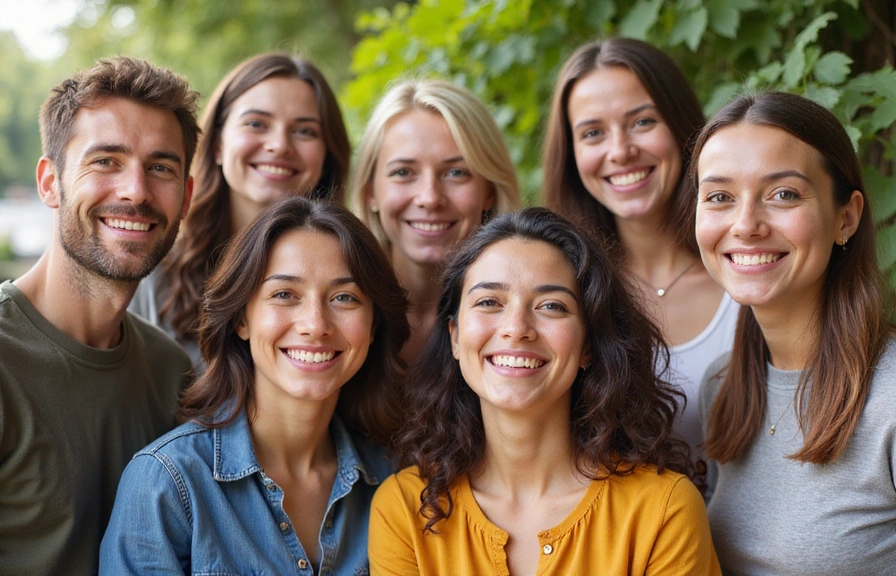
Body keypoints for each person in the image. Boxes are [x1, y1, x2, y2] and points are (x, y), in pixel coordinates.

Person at [369, 208, 720, 575]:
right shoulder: (405, 509)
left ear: (588, 343)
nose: (516, 328)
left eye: (551, 306)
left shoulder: (664, 509)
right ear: (456, 337)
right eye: (489, 302)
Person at [100, 197, 409, 574]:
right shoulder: (167, 483)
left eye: (344, 297)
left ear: (374, 326)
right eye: (284, 295)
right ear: (241, 319)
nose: (315, 324)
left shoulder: (396, 481)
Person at [0, 56, 198, 575]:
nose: (135, 190)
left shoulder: (170, 372)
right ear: (50, 182)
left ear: (187, 196)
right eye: (106, 161)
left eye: (161, 168)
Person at [693, 92, 896, 575]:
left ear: (845, 217)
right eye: (719, 197)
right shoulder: (721, 390)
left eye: (783, 194)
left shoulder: (890, 396)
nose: (745, 225)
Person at [543, 37, 738, 489]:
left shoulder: (751, 270)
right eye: (593, 133)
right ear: (571, 155)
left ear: (684, 126)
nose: (620, 150)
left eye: (643, 122)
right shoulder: (560, 293)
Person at [130, 52, 351, 370]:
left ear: (328, 154)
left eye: (304, 131)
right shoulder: (154, 271)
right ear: (218, 142)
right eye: (257, 124)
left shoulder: (354, 275)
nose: (279, 145)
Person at [348, 79, 520, 362]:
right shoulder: (332, 307)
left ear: (489, 190)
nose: (429, 198)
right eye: (403, 172)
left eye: (456, 173)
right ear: (370, 192)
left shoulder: (524, 316)